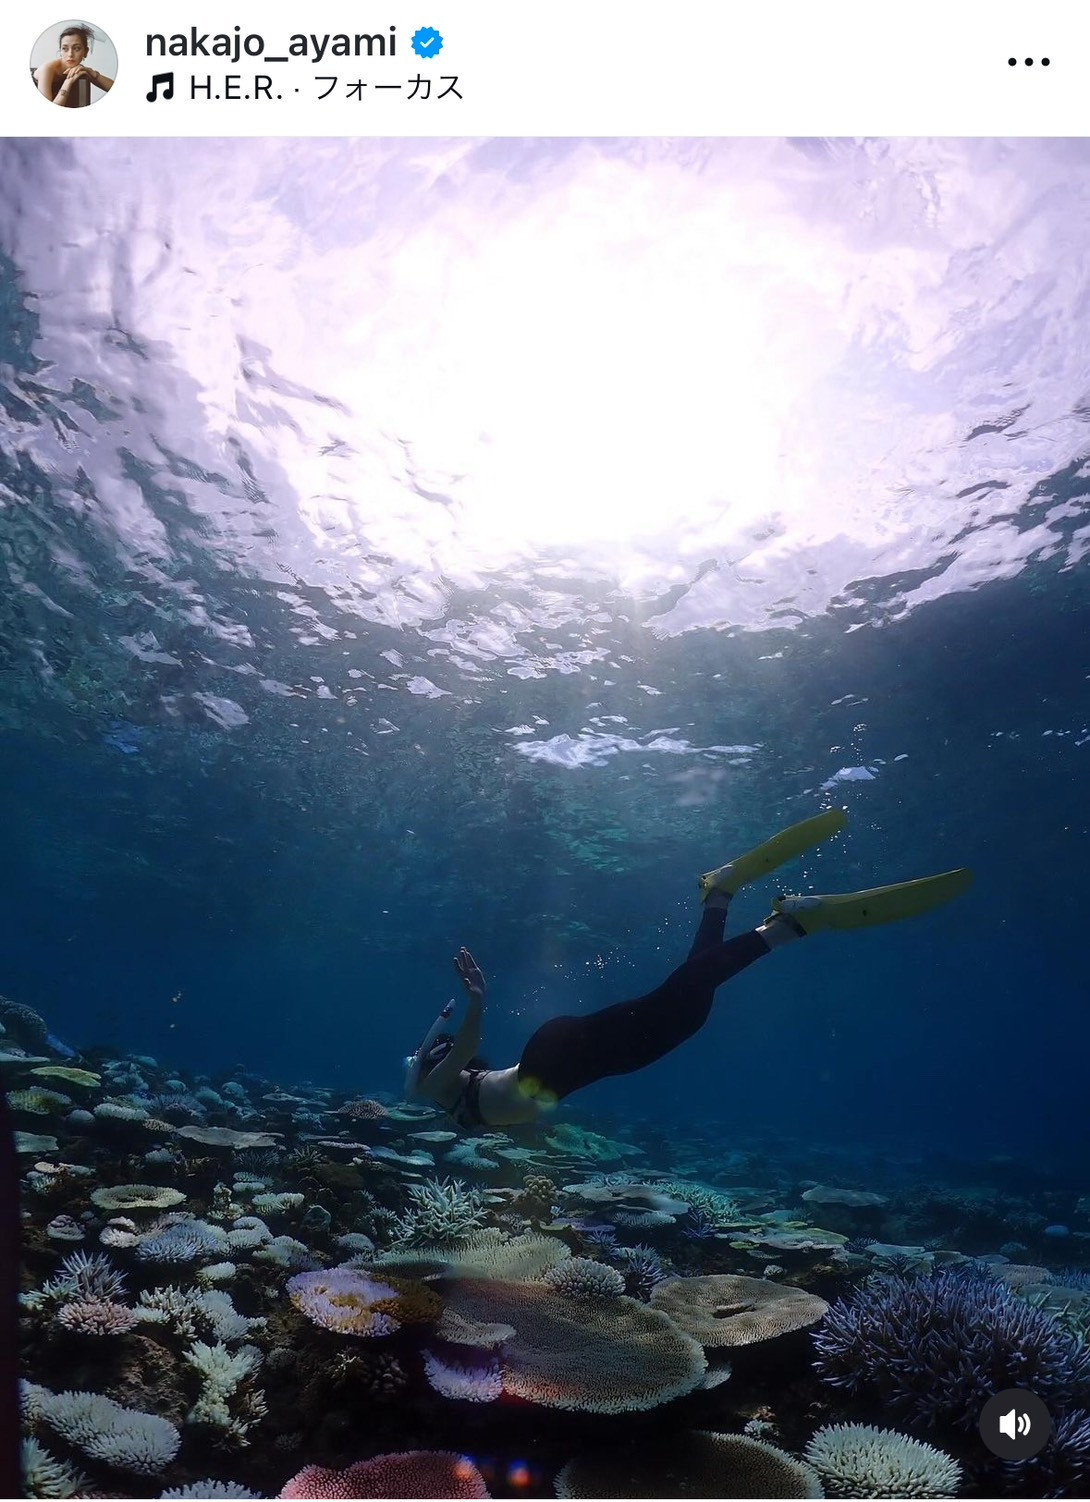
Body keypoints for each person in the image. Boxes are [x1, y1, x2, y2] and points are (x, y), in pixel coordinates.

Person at [404, 810, 972, 1129]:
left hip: (558, 1060)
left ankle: (794, 924)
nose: (414, 1061)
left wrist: (472, 1003)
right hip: (566, 1063)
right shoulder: (443, 1087)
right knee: (687, 1004)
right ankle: (720, 893)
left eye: (421, 1058)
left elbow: (452, 1048)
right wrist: (444, 1020)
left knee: (685, 999)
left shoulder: (434, 1087)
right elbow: (440, 1048)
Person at [35, 25, 113, 107]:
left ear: (85, 52)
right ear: (60, 51)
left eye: (76, 48)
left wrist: (92, 73)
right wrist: (68, 82)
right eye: (65, 48)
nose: (70, 54)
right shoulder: (47, 69)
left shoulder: (78, 69)